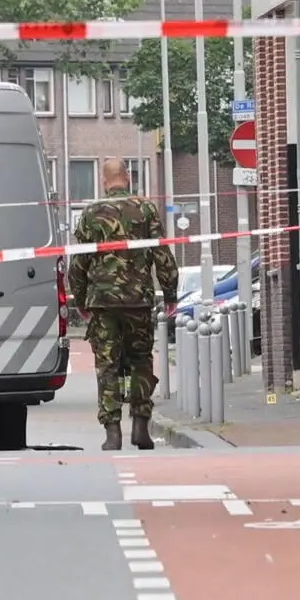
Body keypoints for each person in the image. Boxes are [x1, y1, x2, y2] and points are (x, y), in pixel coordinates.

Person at [67, 157, 178, 451]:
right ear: (126, 178)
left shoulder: (91, 213)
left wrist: (80, 301)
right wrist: (170, 295)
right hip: (138, 301)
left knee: (107, 365)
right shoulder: (145, 208)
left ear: (104, 181)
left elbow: (78, 263)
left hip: (103, 305)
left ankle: (112, 432)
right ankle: (141, 426)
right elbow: (161, 255)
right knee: (141, 361)